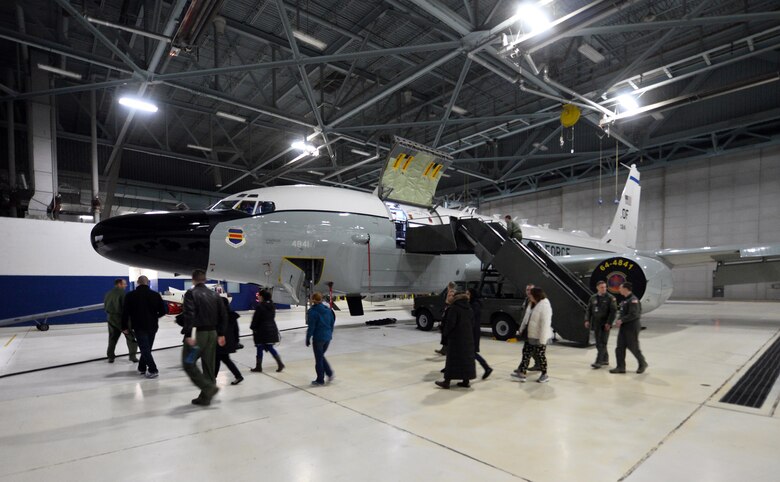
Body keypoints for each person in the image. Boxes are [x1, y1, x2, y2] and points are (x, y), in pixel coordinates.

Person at [178, 270, 227, 406]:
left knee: (188, 362)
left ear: (193, 280)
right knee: (208, 365)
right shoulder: (215, 295)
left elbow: (189, 314)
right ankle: (205, 398)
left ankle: (208, 388)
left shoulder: (191, 293)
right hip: (213, 334)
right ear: (204, 280)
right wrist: (221, 334)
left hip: (197, 334)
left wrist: (188, 334)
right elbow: (223, 315)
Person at [121, 276, 166, 378]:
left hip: (139, 326)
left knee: (145, 349)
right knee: (146, 348)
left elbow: (125, 313)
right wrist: (155, 317)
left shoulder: (130, 296)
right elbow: (163, 311)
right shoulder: (155, 295)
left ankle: (153, 369)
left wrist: (124, 327)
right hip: (153, 326)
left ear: (137, 282)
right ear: (148, 282)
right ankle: (141, 368)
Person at [435, 290, 476, 389]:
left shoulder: (454, 308)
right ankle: (466, 381)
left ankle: (446, 382)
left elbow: (450, 324)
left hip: (456, 339)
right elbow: (473, 324)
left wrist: (445, 333)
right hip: (468, 338)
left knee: (452, 360)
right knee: (465, 359)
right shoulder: (469, 308)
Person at [514, 287, 552, 383]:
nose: (529, 296)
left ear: (536, 295)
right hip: (530, 334)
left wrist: (542, 340)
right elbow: (526, 318)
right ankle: (522, 374)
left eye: (531, 295)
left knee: (540, 355)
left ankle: (544, 374)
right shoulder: (532, 304)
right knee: (526, 354)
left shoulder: (545, 306)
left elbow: (545, 324)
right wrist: (521, 328)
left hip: (539, 336)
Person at [610, 282, 648, 374]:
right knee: (620, 347)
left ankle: (642, 363)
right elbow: (623, 313)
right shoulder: (625, 300)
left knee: (633, 347)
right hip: (624, 327)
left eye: (620, 288)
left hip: (632, 327)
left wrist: (621, 320)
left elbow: (634, 314)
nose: (619, 290)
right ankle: (620, 367)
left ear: (626, 289)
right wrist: (619, 320)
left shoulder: (633, 300)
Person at [584, 280, 618, 369]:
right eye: (602, 287)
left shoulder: (610, 298)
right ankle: (605, 359)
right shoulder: (593, 298)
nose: (604, 289)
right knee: (599, 343)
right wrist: (587, 320)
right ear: (597, 288)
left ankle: (598, 361)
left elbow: (613, 312)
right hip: (596, 323)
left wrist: (609, 323)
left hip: (605, 324)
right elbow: (589, 310)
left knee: (602, 343)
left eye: (605, 287)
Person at [103, 278, 137, 363]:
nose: (126, 285)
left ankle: (110, 356)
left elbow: (105, 305)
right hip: (120, 319)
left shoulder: (108, 293)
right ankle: (132, 356)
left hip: (110, 318)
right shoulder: (123, 294)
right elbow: (125, 309)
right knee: (130, 337)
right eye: (124, 284)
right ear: (119, 284)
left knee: (112, 338)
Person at [250, 290, 285, 373]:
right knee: (269, 347)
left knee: (259, 347)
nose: (258, 297)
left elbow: (256, 319)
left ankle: (258, 366)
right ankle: (280, 363)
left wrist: (253, 327)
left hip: (261, 330)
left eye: (259, 295)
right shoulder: (272, 306)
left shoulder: (260, 307)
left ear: (262, 296)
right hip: (271, 328)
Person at [306, 292, 335, 386]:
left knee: (318, 359)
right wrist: (330, 333)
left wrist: (308, 338)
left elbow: (311, 327)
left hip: (318, 338)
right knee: (321, 356)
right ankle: (329, 373)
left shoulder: (312, 312)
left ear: (313, 300)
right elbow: (332, 323)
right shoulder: (328, 310)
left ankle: (320, 380)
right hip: (327, 338)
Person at [513, 284, 541, 374]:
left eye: (530, 290)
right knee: (532, 350)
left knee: (527, 350)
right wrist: (521, 327)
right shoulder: (527, 300)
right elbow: (524, 315)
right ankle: (539, 365)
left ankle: (521, 368)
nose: (528, 291)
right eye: (527, 290)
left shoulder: (536, 301)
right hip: (527, 328)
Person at [215, 297, 244, 385]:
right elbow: (236, 330)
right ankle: (238, 376)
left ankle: (212, 378)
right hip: (229, 342)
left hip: (221, 341)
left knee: (218, 359)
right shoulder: (232, 315)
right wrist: (236, 341)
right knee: (223, 359)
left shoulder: (219, 315)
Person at [467, 288, 492, 380]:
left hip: (473, 331)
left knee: (471, 352)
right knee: (471, 352)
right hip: (472, 330)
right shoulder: (473, 304)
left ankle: (487, 367)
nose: (467, 296)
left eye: (468, 294)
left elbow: (471, 317)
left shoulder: (475, 305)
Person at [435, 281, 457, 356]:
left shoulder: (451, 293)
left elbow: (449, 301)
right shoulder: (454, 292)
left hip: (448, 312)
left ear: (449, 286)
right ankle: (444, 349)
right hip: (448, 311)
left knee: (445, 331)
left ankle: (445, 350)